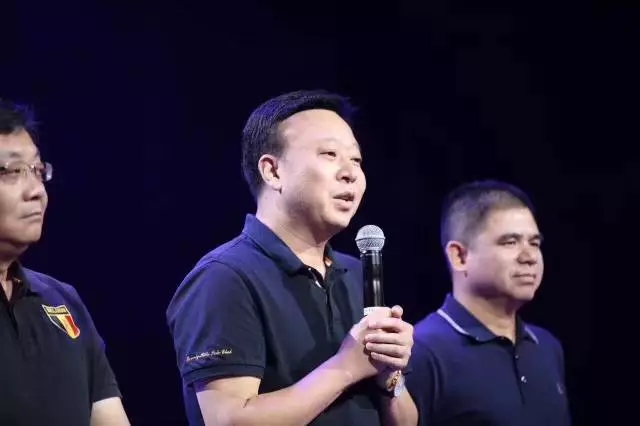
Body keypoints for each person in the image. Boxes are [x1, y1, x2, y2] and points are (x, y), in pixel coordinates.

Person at [166, 90, 418, 426]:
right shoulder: (224, 276)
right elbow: (228, 420)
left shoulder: (356, 272)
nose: (351, 173)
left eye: (356, 160)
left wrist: (390, 377)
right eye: (330, 154)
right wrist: (346, 368)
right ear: (272, 171)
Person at [0, 99, 130, 426]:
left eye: (37, 170)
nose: (37, 192)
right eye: (13, 172)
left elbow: (108, 416)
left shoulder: (62, 300)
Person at [406, 180, 571, 426]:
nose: (529, 257)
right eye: (510, 242)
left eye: (534, 243)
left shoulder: (546, 347)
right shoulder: (421, 351)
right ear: (460, 256)